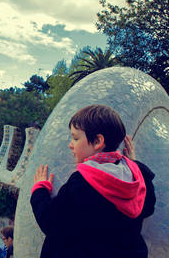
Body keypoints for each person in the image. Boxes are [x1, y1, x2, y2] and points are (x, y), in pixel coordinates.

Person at [30, 104, 156, 258]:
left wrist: (39, 190)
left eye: (76, 138)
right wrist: (133, 164)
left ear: (97, 141)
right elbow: (148, 207)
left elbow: (51, 222)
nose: (70, 144)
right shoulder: (138, 174)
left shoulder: (82, 184)